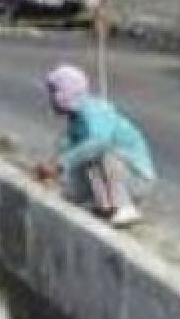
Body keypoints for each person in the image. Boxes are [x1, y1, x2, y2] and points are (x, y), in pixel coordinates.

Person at [35, 65, 155, 228]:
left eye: (53, 92)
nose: (50, 99)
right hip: (117, 174)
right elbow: (65, 151)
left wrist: (59, 165)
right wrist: (50, 170)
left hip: (136, 177)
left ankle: (124, 206)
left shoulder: (96, 112)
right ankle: (105, 206)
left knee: (99, 152)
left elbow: (98, 143)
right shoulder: (76, 121)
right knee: (83, 164)